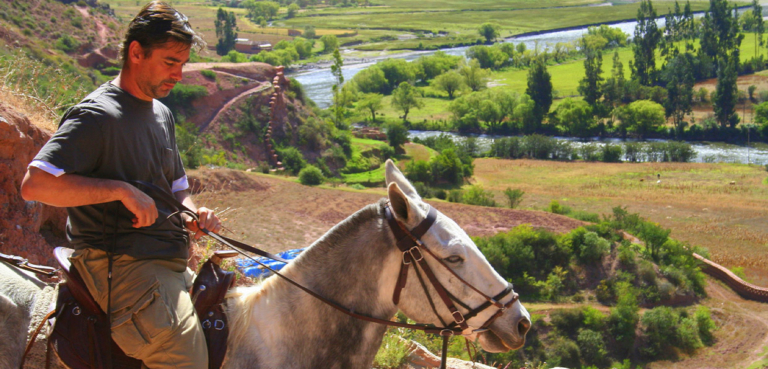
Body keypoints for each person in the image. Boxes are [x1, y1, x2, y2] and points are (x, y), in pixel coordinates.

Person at [20, 2, 217, 368]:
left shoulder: (161, 114)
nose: (178, 74)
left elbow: (177, 190)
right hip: (121, 265)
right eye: (170, 62)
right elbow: (35, 185)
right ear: (136, 52)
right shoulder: (97, 115)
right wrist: (120, 190)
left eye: (182, 64)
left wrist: (193, 213)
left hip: (167, 264)